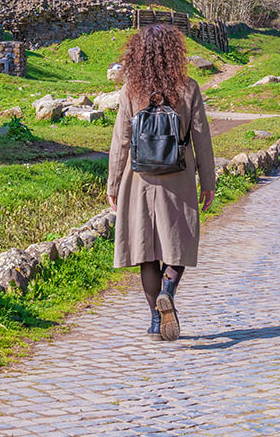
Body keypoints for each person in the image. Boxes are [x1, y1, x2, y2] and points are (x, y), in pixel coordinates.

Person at [107, 25, 216, 342]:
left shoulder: (131, 90)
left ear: (137, 55)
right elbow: (202, 139)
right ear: (174, 53)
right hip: (179, 176)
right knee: (178, 243)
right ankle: (168, 289)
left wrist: (113, 185)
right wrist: (208, 182)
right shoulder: (188, 88)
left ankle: (156, 321)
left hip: (138, 178)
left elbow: (121, 142)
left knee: (146, 250)